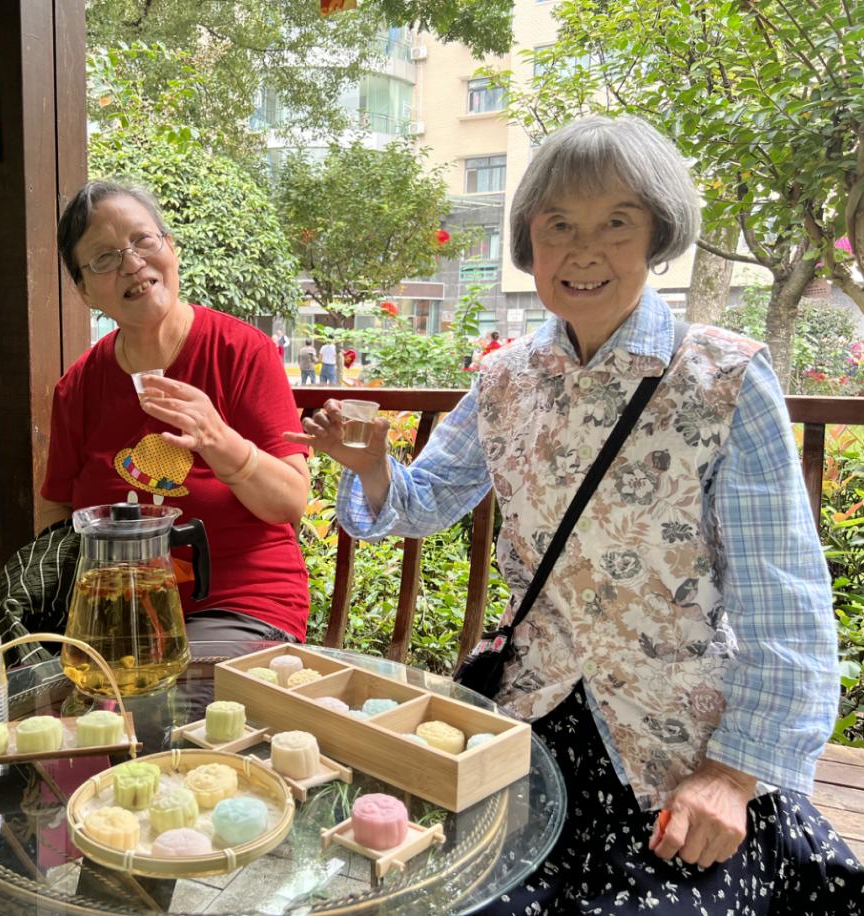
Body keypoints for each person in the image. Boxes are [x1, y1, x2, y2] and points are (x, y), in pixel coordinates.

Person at [289, 116, 861, 913]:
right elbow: (421, 505)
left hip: (679, 744)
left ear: (658, 233)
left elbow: (784, 601)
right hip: (530, 720)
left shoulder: (723, 378)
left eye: (615, 223)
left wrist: (732, 776)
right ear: (528, 239)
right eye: (558, 224)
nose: (583, 250)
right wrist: (371, 469)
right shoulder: (503, 381)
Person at [44, 180, 311, 644]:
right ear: (84, 291)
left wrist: (218, 440)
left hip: (240, 604)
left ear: (173, 249)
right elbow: (56, 509)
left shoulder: (241, 352)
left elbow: (290, 502)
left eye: (143, 240)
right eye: (104, 258)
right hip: (118, 614)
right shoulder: (78, 386)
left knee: (172, 690)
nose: (132, 263)